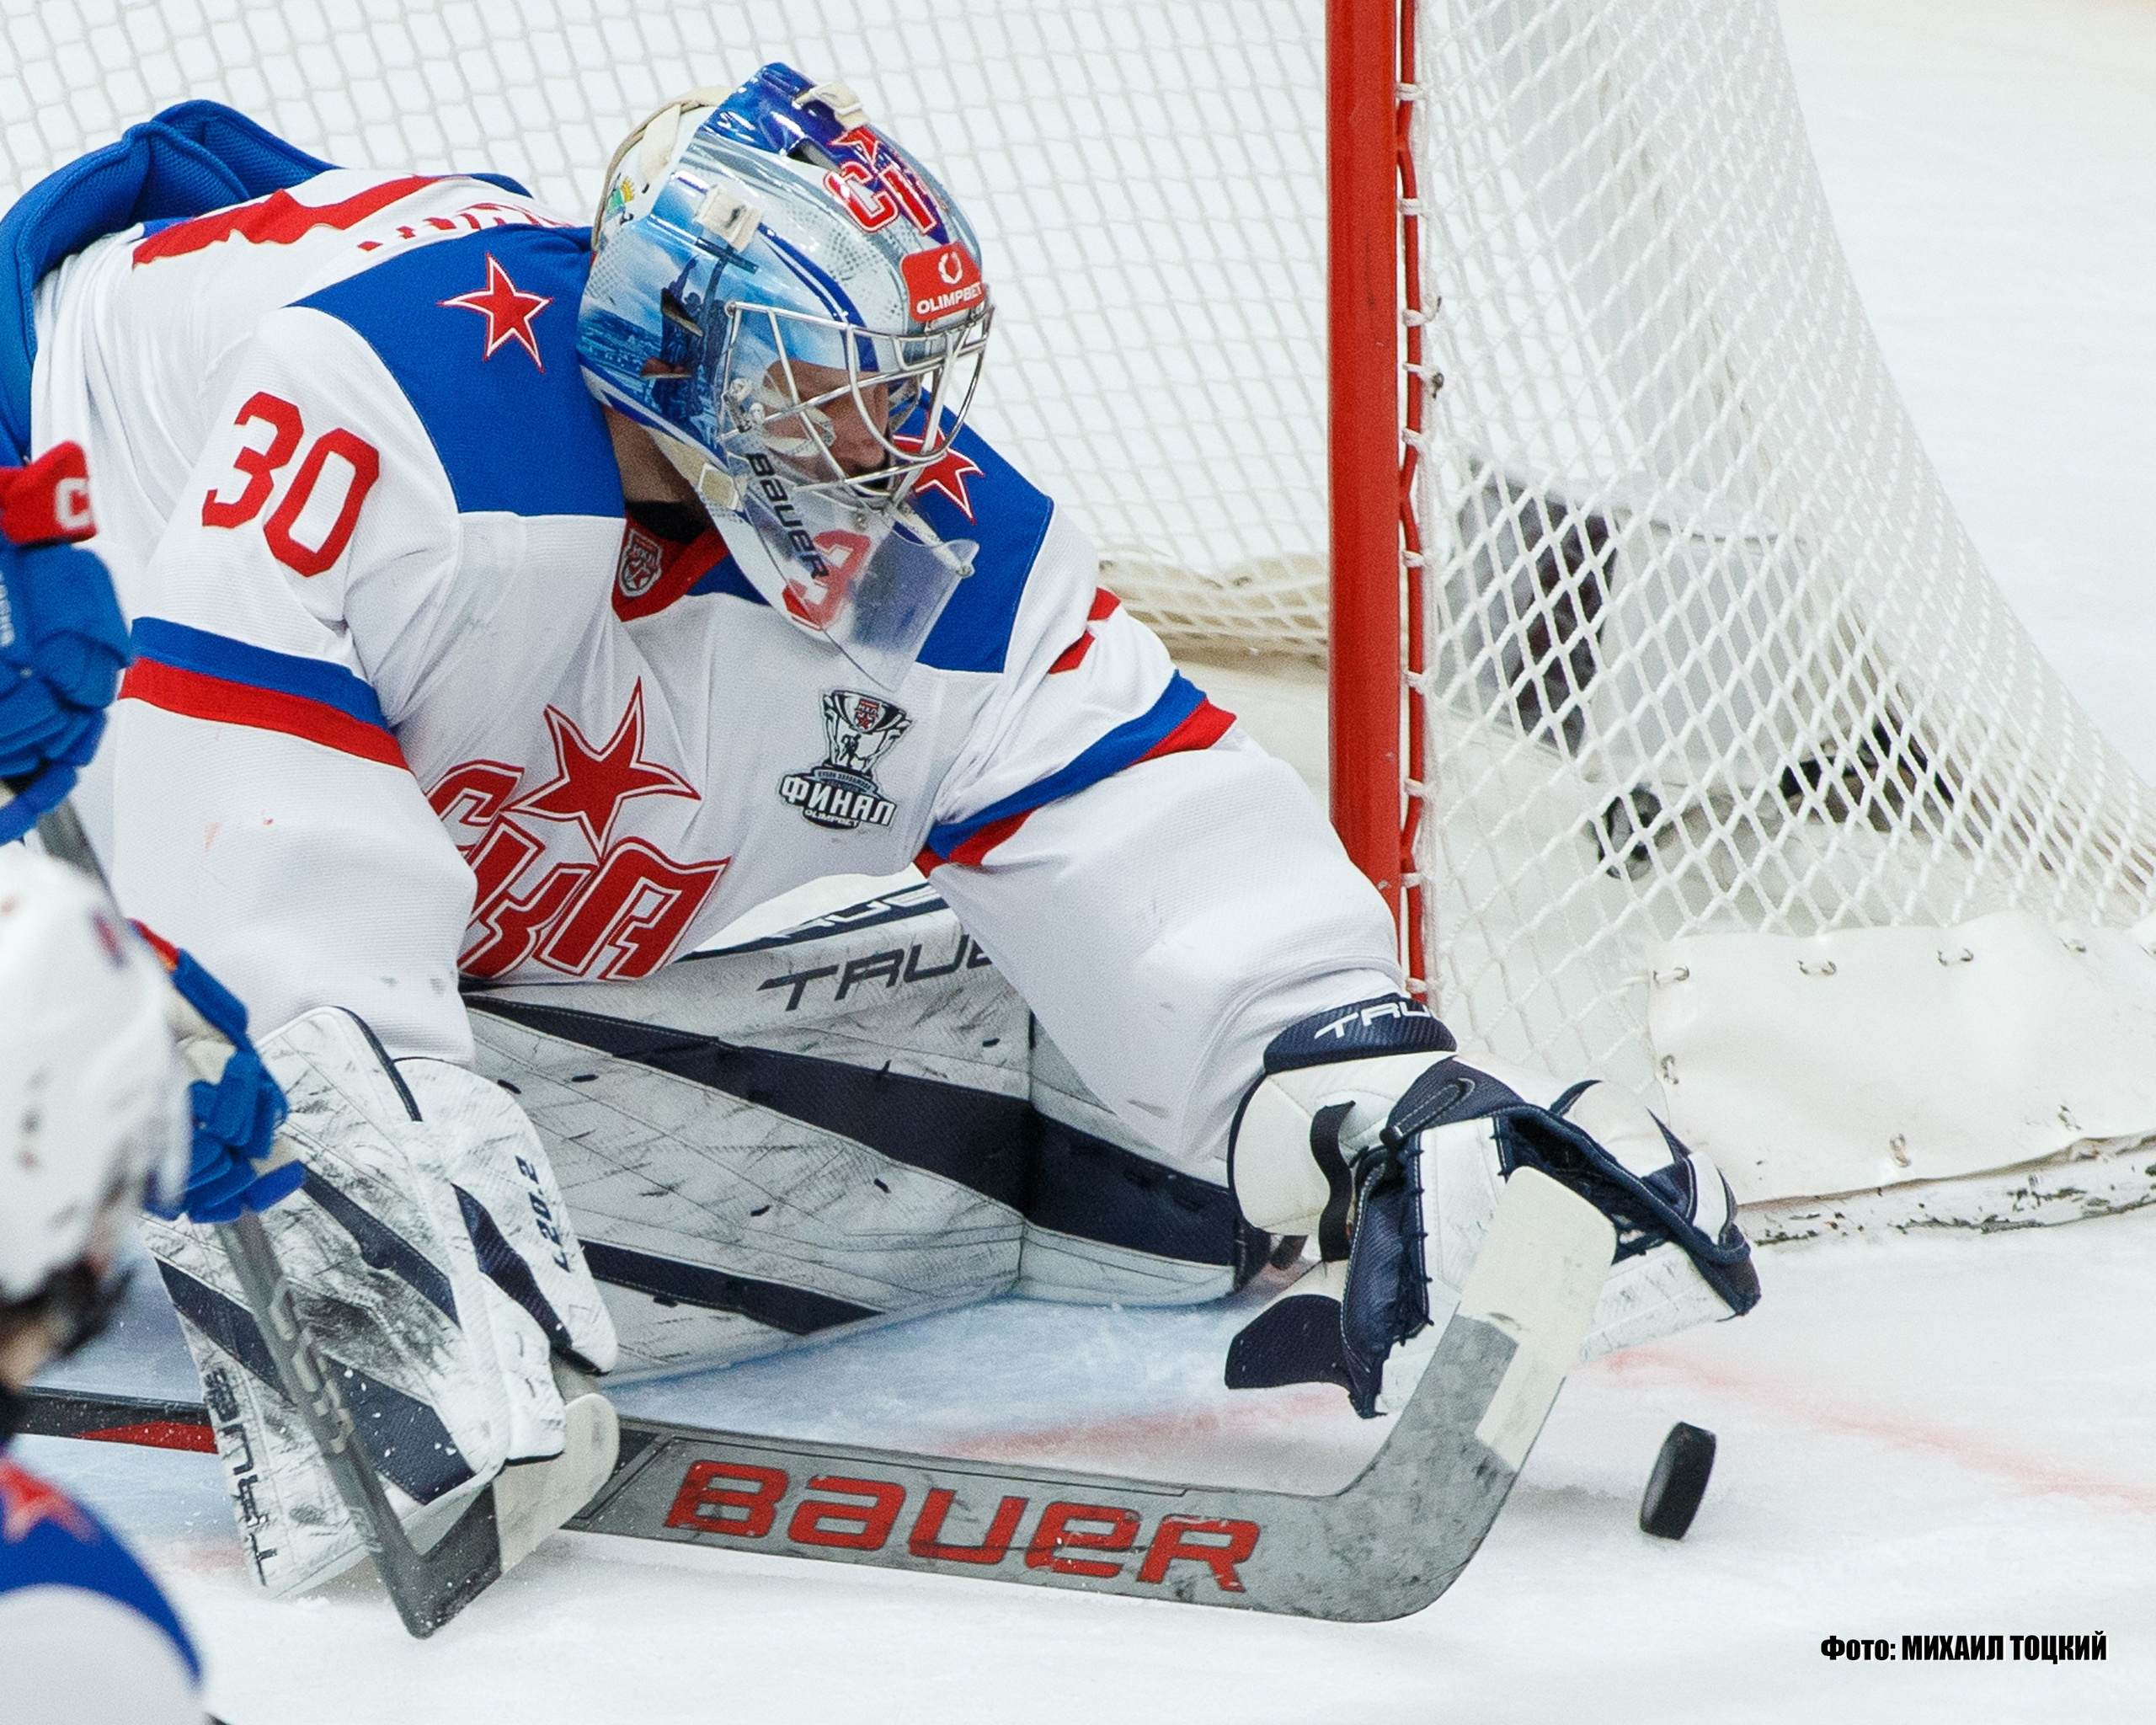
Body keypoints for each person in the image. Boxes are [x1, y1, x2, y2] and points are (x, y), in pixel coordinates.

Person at [9, 72, 1758, 1596]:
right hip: (65, 550)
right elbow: (241, 809)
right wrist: (357, 1134)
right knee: (254, 1043)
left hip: (387, 657)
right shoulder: (389, 418)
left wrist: (1361, 1078)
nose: (891, 442)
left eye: (906, 383)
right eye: (827, 389)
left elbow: (1118, 784)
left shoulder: (918, 530)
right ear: (671, 338)